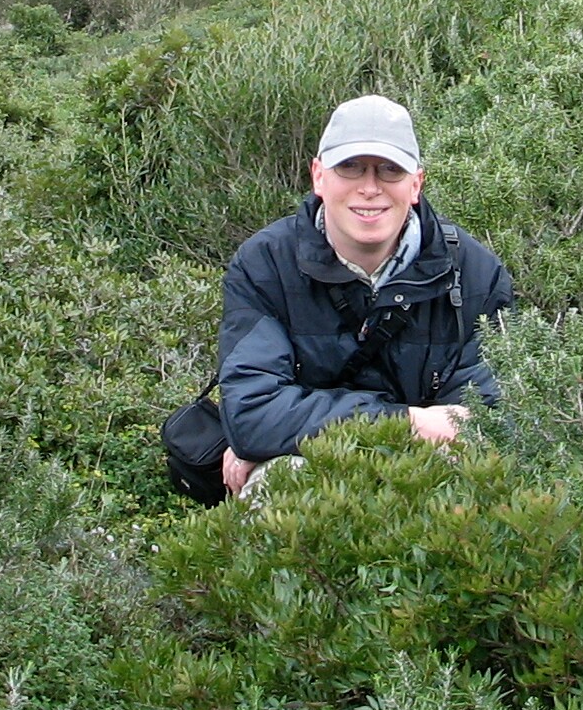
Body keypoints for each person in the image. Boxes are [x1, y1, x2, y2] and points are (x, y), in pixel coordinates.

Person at [218, 94, 514, 495]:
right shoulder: (264, 264)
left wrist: (289, 429)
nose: (370, 188)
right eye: (350, 167)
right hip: (314, 463)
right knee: (276, 482)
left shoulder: (477, 273)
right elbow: (252, 416)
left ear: (416, 184)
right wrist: (410, 422)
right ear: (318, 176)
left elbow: (493, 421)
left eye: (390, 169)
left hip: (432, 471)